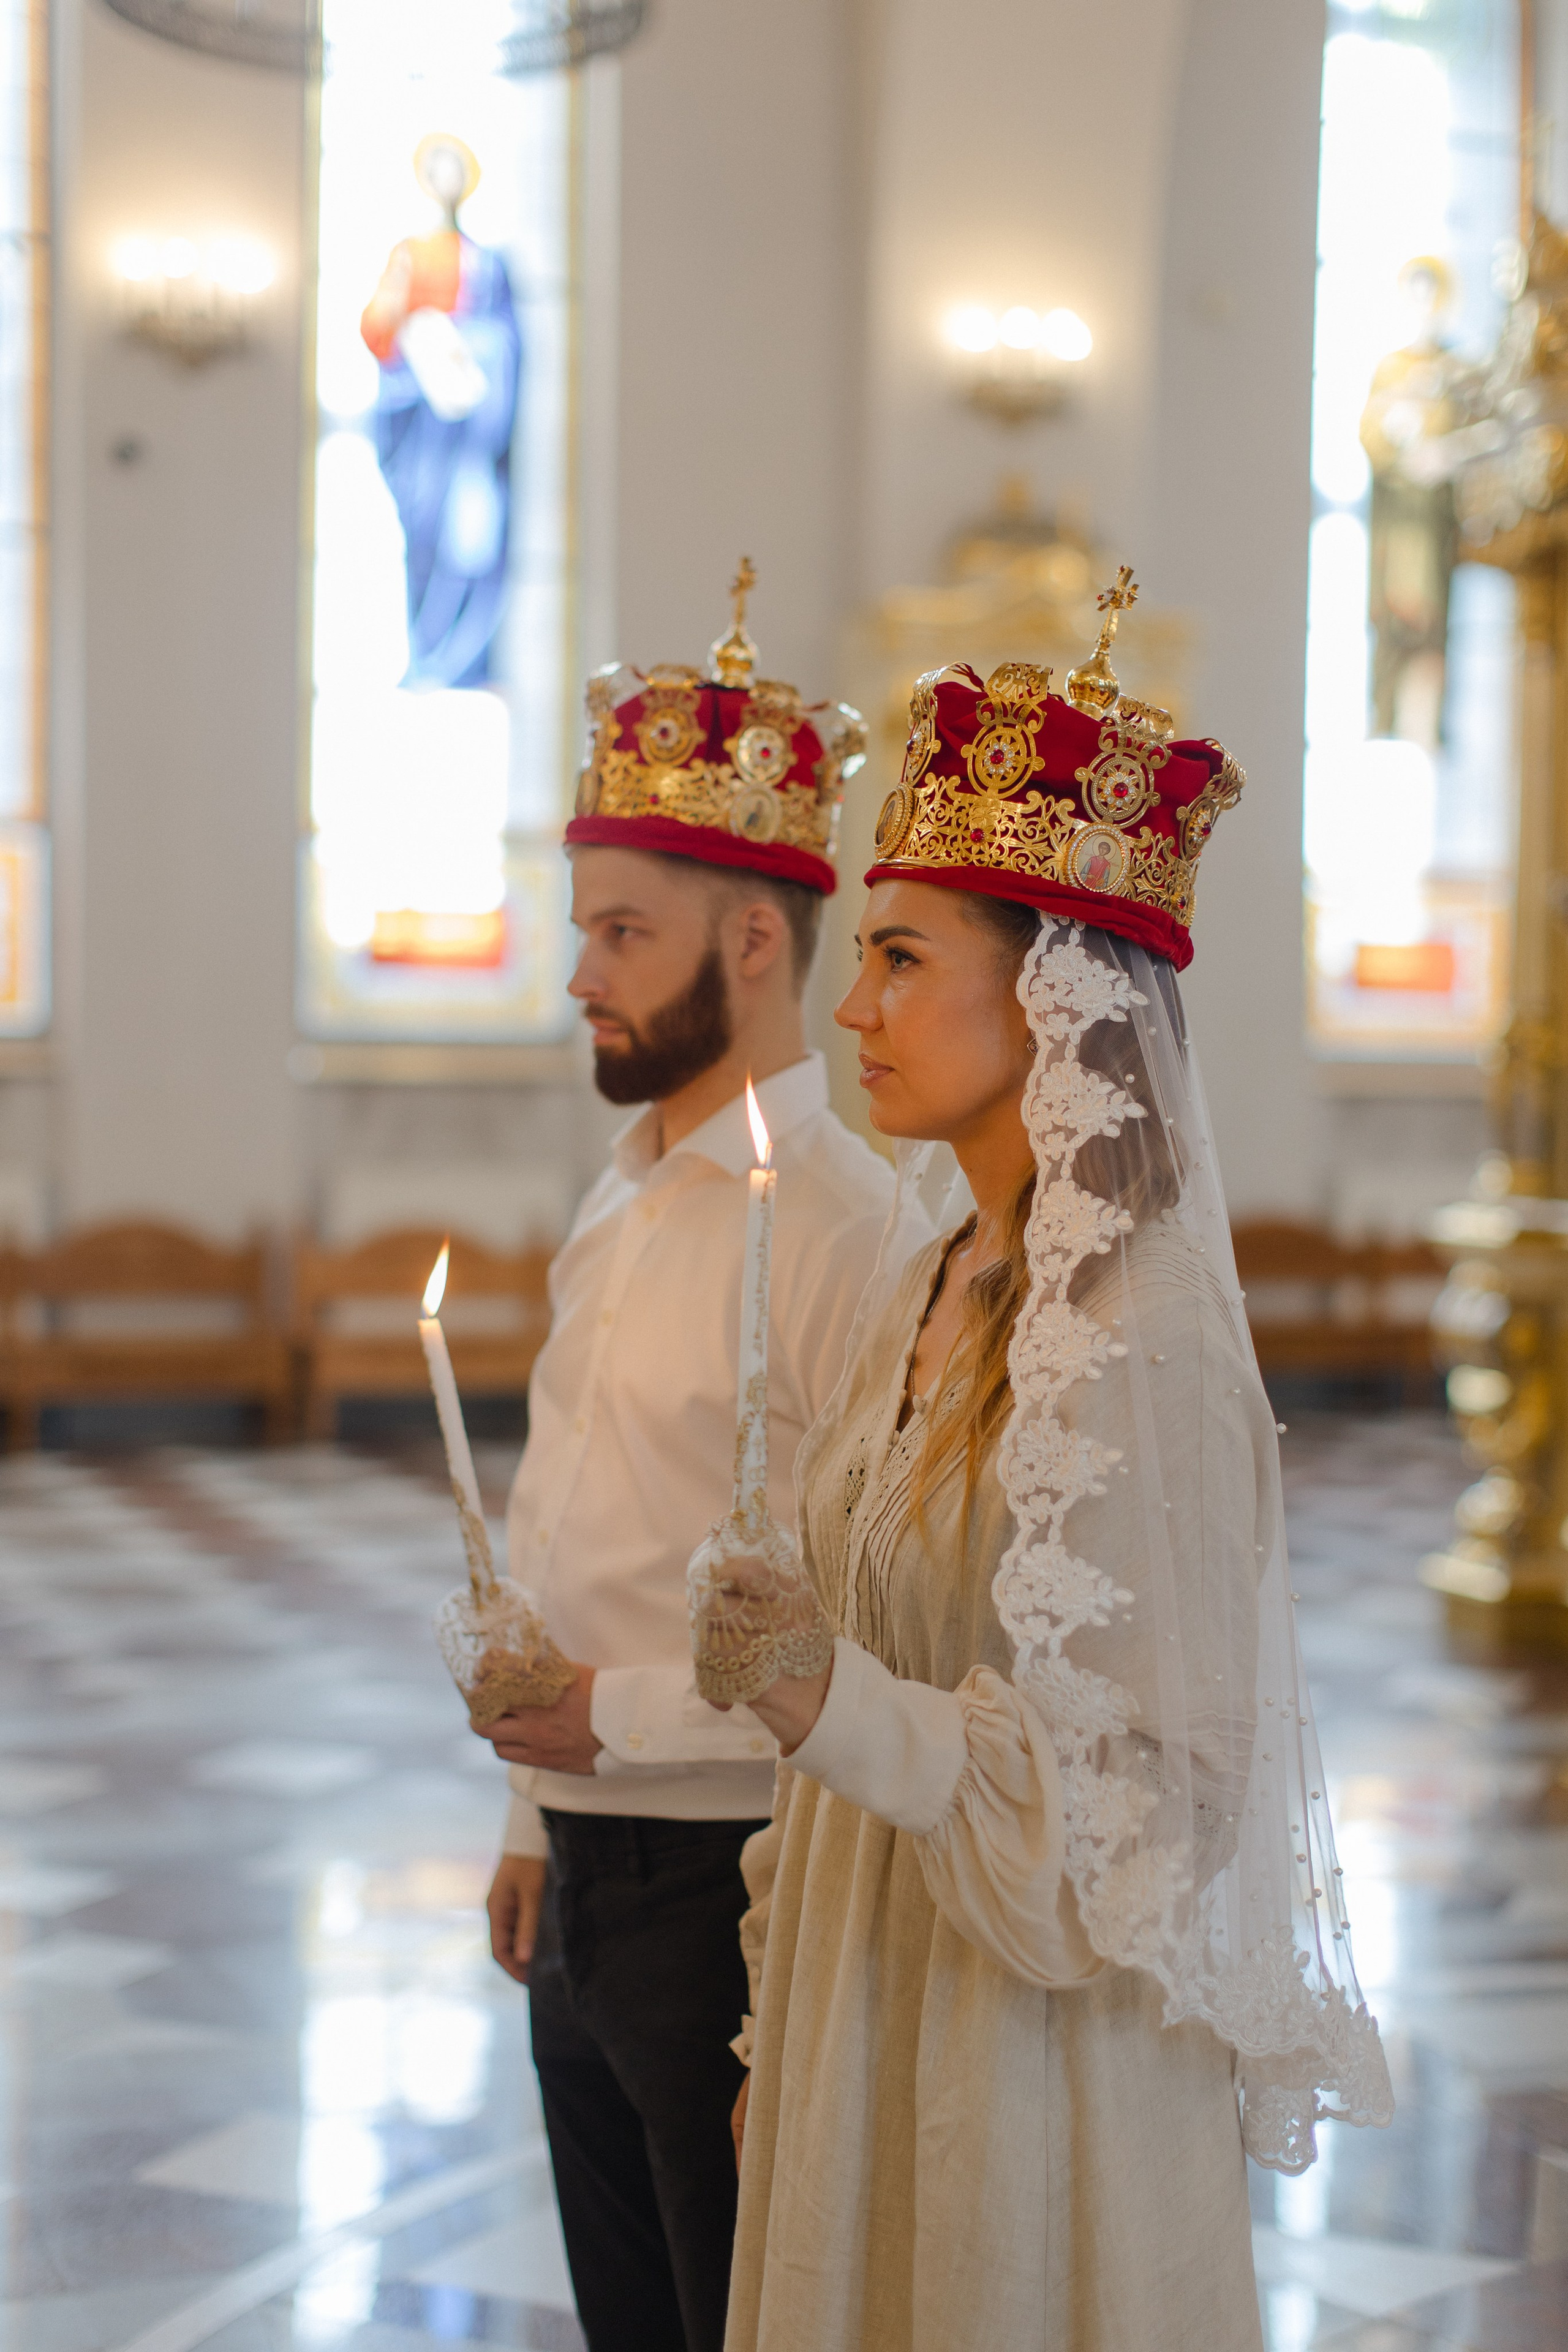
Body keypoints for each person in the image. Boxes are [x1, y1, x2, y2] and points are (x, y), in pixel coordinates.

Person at [693, 631, 1395, 2350]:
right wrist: (781, 2031)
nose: (853, 1008)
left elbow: (1148, 1813)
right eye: (859, 959)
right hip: (873, 2001)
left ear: (1055, 996)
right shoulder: (935, 1274)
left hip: (1032, 2071)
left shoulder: (1145, 1332)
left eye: (902, 958)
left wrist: (822, 1698)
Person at [478, 568, 901, 2352]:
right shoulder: (622, 1188)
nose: (577, 970)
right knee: (623, 2310)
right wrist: (531, 1806)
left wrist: (613, 1730)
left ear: (749, 940)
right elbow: (575, 1507)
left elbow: (876, 1638)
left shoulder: (846, 1230)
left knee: (734, 2313)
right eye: (581, 927)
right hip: (581, 1863)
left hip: (731, 1880)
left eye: (622, 932)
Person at [360, 134, 521, 688]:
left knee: (469, 541)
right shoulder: (410, 255)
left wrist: (469, 346)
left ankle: (463, 659)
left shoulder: (488, 262)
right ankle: (425, 652)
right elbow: (379, 330)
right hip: (421, 425)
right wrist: (419, 335)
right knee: (426, 537)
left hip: (471, 427)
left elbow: (506, 338)